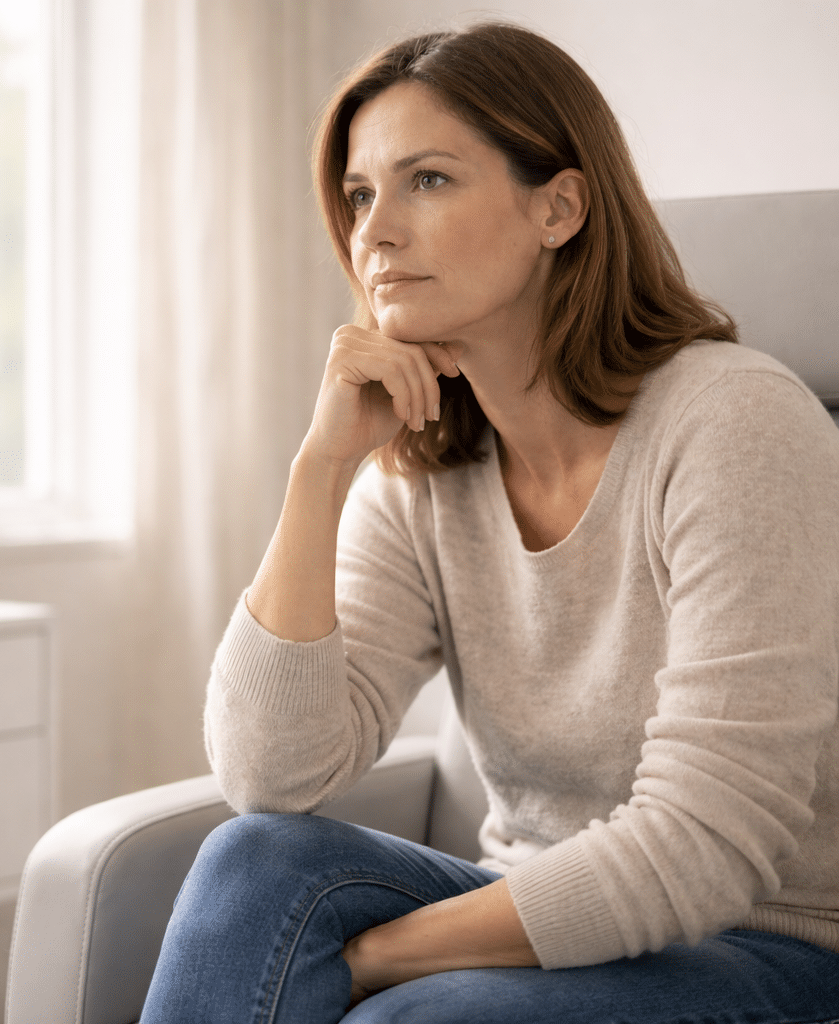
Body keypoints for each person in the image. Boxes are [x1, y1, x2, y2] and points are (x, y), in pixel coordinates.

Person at [139, 21, 839, 1024]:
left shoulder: (735, 422)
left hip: (764, 942)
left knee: (415, 1018)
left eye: (426, 180)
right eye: (359, 194)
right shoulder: (423, 469)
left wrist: (378, 959)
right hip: (537, 912)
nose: (374, 233)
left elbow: (706, 844)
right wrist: (320, 469)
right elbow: (271, 775)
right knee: (254, 860)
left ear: (558, 208)